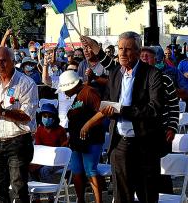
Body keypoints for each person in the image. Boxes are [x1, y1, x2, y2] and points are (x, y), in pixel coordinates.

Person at [99, 32, 165, 203]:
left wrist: (122, 110)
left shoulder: (152, 74)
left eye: (127, 49)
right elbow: (107, 100)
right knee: (121, 195)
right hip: (119, 143)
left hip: (144, 143)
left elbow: (154, 108)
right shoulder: (115, 73)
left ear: (137, 51)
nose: (122, 53)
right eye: (120, 48)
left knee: (147, 194)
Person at [0, 46, 38, 203]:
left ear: (13, 61)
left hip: (18, 140)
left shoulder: (26, 83)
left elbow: (27, 116)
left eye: (4, 60)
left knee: (18, 187)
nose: (0, 64)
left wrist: (3, 112)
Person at [57, 71, 105, 203]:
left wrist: (88, 125)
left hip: (91, 139)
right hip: (76, 140)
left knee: (90, 170)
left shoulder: (89, 92)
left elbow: (103, 111)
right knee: (77, 170)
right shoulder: (78, 94)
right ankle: (80, 199)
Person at [31, 103, 68, 184]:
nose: (47, 119)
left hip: (58, 160)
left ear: (54, 118)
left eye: (50, 116)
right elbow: (38, 148)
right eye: (44, 116)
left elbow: (64, 149)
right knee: (31, 168)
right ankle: (36, 195)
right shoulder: (39, 130)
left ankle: (50, 194)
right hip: (43, 159)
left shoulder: (60, 130)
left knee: (44, 170)